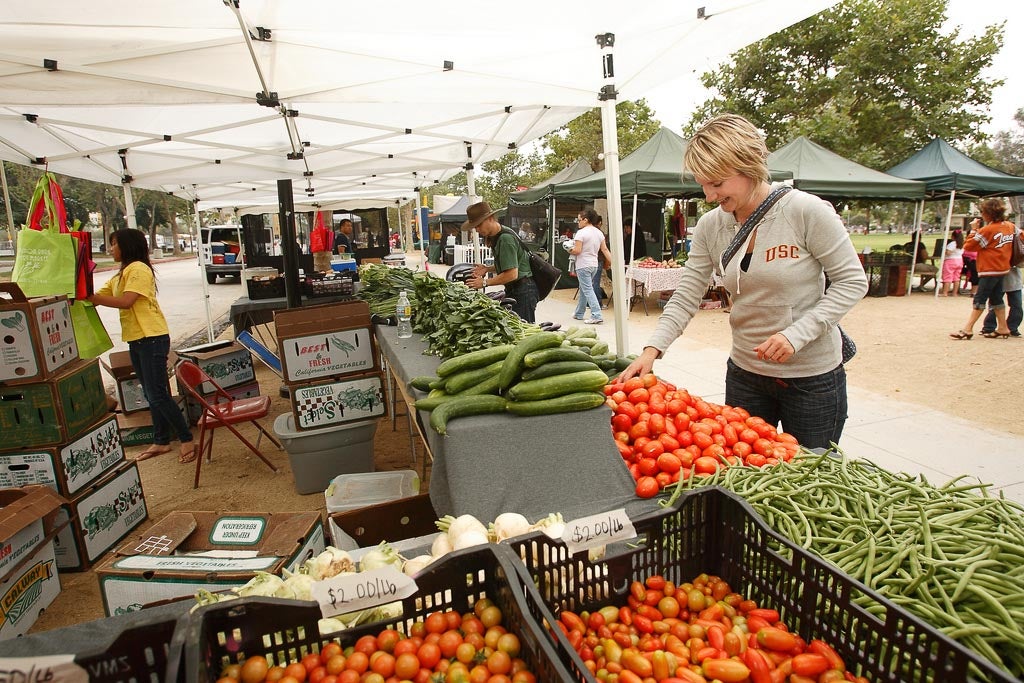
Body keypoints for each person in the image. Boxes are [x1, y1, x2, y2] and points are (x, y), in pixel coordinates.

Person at [618, 114, 868, 449]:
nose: (708, 195)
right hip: (745, 375)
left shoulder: (806, 211)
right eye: (703, 184)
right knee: (743, 476)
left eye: (717, 184)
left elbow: (852, 282)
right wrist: (653, 350)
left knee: (809, 479)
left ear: (749, 166)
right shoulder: (711, 226)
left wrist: (797, 335)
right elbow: (687, 293)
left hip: (812, 380)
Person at [89, 229, 195, 463]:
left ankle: (186, 438)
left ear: (127, 246)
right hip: (137, 339)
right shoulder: (121, 274)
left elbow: (126, 302)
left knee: (156, 393)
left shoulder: (138, 269)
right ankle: (160, 441)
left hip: (152, 337)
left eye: (114, 244)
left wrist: (92, 299)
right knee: (151, 392)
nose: (111, 249)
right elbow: (97, 295)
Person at [463, 201, 539, 323]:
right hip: (517, 288)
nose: (477, 230)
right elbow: (509, 264)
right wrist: (487, 269)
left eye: (479, 225)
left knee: (524, 331)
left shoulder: (505, 239)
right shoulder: (498, 235)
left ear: (490, 219)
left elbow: (512, 274)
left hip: (523, 290)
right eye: (475, 227)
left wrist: (484, 282)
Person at [950, 198, 1014, 339]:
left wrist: (974, 230)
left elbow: (969, 246)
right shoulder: (1009, 226)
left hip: (990, 269)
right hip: (1003, 268)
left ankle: (968, 328)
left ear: (988, 214)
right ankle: (1003, 327)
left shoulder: (988, 230)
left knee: (980, 298)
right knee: (997, 298)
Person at [569, 208, 612, 324]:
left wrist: (569, 249)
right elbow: (605, 249)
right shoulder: (599, 233)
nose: (578, 222)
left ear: (585, 220)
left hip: (583, 265)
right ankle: (579, 313)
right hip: (594, 265)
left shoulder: (581, 233)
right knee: (584, 288)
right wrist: (613, 262)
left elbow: (577, 251)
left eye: (579, 220)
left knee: (587, 289)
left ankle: (596, 314)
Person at [940, 229, 965, 297]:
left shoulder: (952, 243)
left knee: (948, 277)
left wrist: (945, 251)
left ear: (953, 236)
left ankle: (945, 292)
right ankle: (954, 293)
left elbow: (948, 253)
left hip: (950, 261)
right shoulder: (962, 244)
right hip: (959, 260)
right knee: (956, 278)